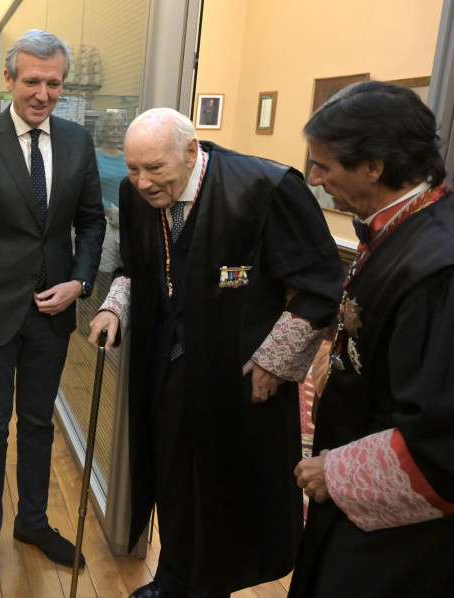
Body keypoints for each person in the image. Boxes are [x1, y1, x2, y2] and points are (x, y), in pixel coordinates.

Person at [88, 108, 343, 598]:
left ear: (191, 151)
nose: (141, 182)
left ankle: (211, 586)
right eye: (134, 168)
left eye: (155, 169)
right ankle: (173, 578)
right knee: (172, 477)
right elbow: (134, 268)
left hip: (239, 373)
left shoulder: (266, 188)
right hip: (165, 364)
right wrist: (114, 309)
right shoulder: (135, 191)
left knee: (226, 489)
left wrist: (274, 361)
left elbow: (320, 288)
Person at [0, 30, 105, 591]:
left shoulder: (79, 142)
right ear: (9, 80)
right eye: (32, 81)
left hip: (51, 316)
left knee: (36, 424)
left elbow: (92, 222)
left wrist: (80, 280)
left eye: (54, 83)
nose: (43, 93)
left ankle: (32, 522)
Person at [289, 81, 454, 598]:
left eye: (324, 166)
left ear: (374, 166)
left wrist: (336, 473)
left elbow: (440, 434)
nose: (315, 179)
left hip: (396, 538)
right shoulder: (404, 225)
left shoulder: (439, 269)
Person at [94, 112, 128, 276]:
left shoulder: (128, 156)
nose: (116, 132)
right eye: (111, 128)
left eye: (120, 129)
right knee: (106, 273)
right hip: (104, 220)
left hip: (128, 220)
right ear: (102, 131)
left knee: (127, 270)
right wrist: (108, 210)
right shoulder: (94, 155)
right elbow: (91, 187)